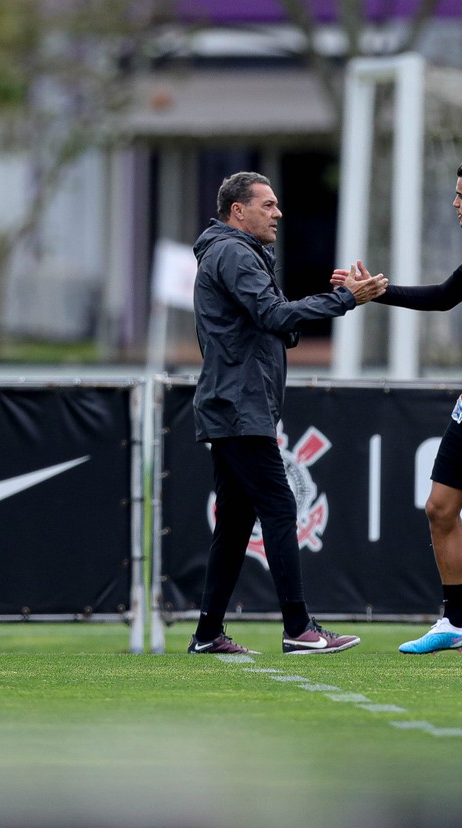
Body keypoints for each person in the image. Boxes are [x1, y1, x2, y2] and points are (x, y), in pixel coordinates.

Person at [332, 154, 462, 656]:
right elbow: (442, 296)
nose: (455, 203)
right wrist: (374, 293)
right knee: (440, 508)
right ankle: (457, 622)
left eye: (460, 195)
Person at [189, 171, 387, 655]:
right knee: (279, 508)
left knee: (235, 524)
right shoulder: (234, 252)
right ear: (239, 211)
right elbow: (275, 317)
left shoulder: (236, 253)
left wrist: (331, 297)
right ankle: (299, 629)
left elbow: (272, 323)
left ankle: (207, 633)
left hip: (236, 405)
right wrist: (345, 300)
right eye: (268, 205)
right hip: (239, 407)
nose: (279, 213)